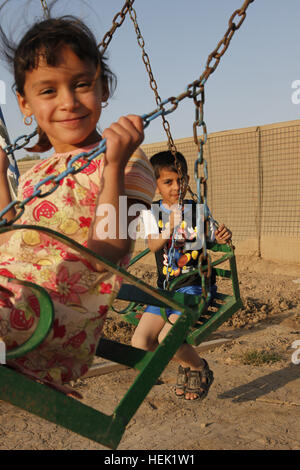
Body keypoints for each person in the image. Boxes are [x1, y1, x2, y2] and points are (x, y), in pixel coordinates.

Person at [0, 15, 156, 390]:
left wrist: (114, 166)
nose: (68, 102)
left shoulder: (128, 161)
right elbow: (9, 242)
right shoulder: (40, 171)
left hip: (50, 323)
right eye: (48, 91)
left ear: (103, 88)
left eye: (81, 84)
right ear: (25, 103)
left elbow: (111, 250)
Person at [132, 151, 232, 401]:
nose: (177, 187)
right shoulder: (151, 212)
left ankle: (199, 368)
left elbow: (210, 239)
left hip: (195, 289)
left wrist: (220, 237)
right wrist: (170, 224)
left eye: (181, 180)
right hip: (166, 291)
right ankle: (187, 363)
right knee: (141, 341)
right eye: (168, 182)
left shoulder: (198, 209)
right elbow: (154, 245)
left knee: (168, 337)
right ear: (156, 185)